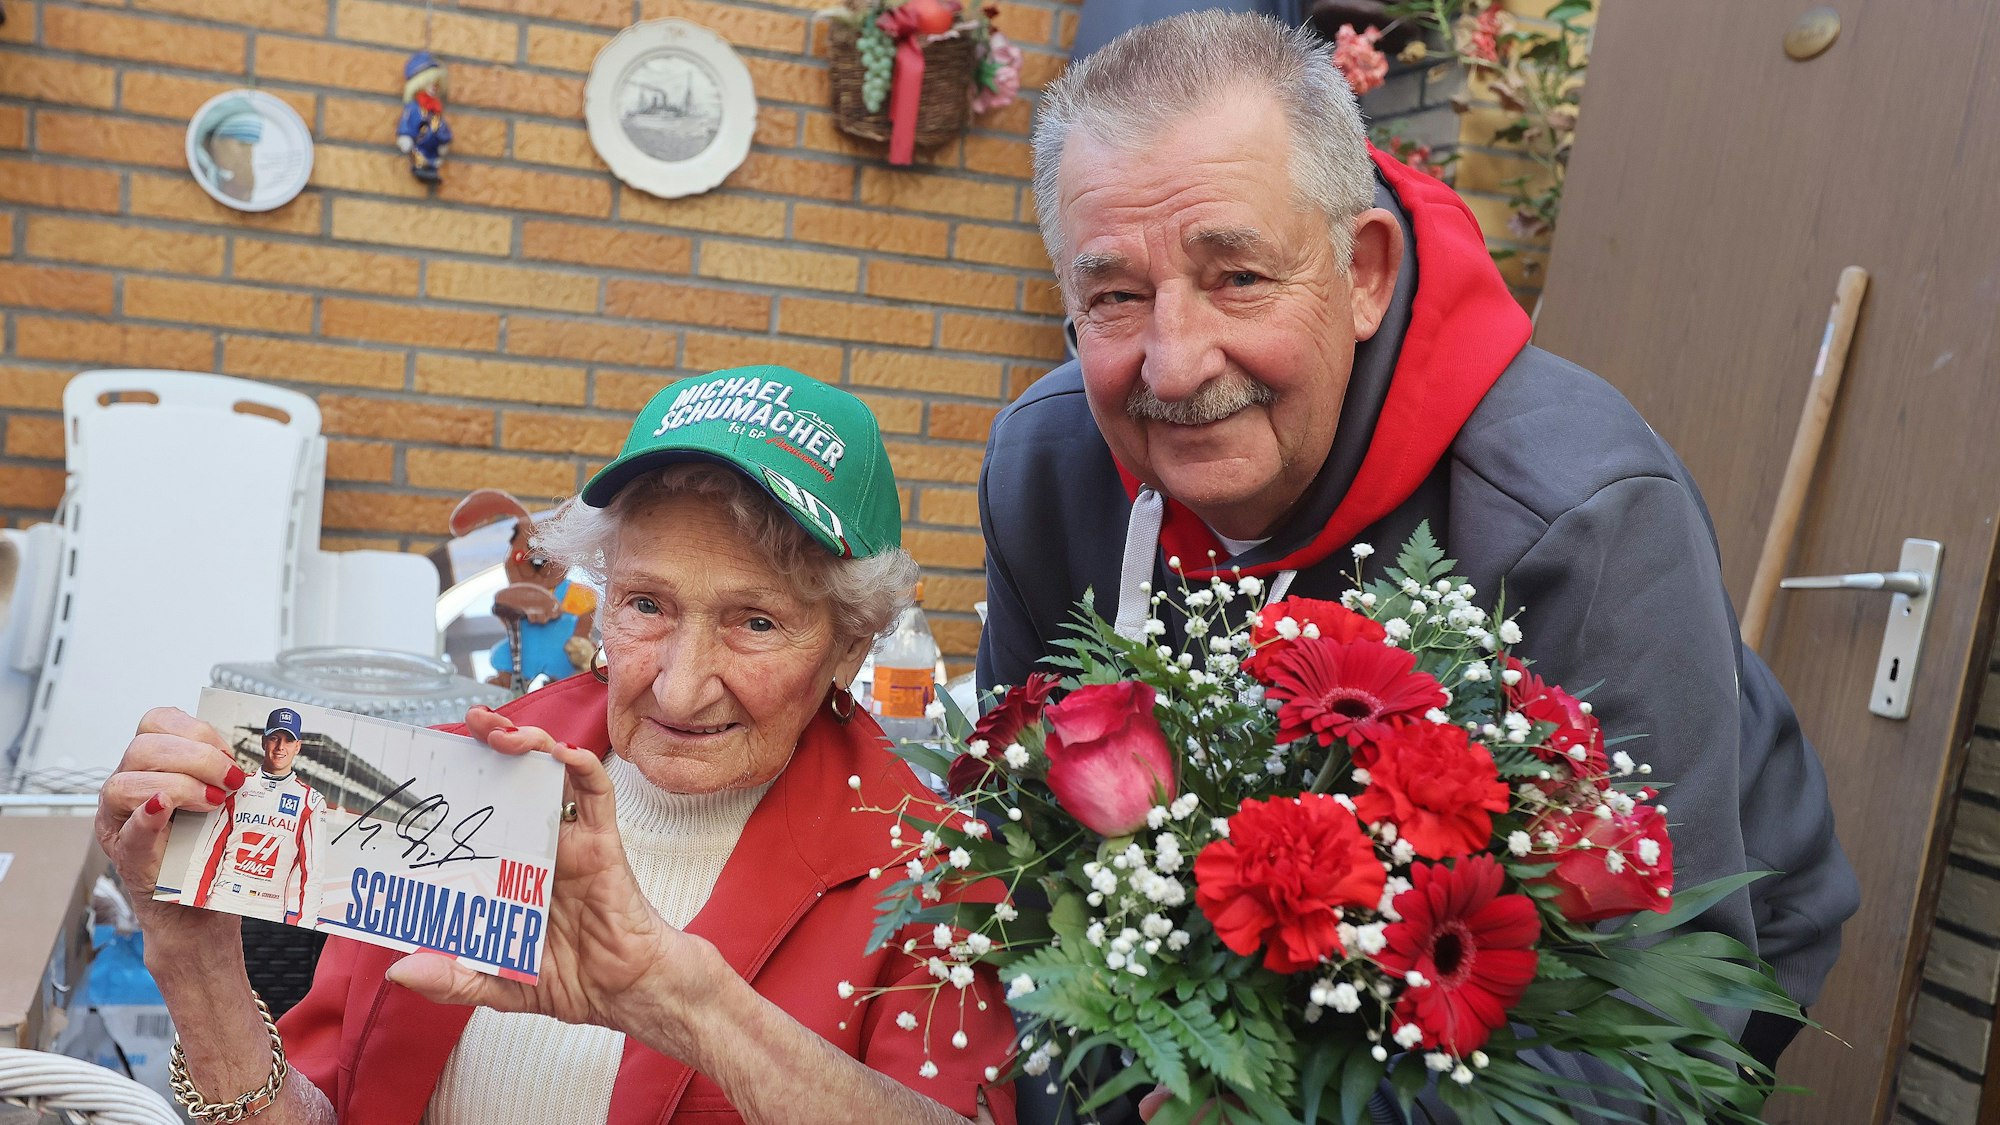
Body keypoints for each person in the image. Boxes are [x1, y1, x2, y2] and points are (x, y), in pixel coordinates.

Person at [975, 11, 1860, 1120]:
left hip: (1643, 947)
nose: (1175, 359)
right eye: (1111, 295)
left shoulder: (1572, 514)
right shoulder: (1043, 471)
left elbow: (1650, 999)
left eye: (1238, 275)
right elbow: (1030, 861)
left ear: (1361, 275)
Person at [97, 365, 1018, 1125]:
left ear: (851, 642)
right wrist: (196, 961)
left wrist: (691, 1006)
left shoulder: (932, 873)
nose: (679, 682)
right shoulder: (471, 776)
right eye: (648, 604)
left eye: (757, 621)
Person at [182, 707, 328, 927]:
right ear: (263, 741)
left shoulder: (311, 802)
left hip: (269, 908)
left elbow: (313, 874)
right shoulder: (236, 788)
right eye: (274, 738)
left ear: (298, 747)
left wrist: (305, 927)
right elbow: (204, 856)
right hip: (226, 899)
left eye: (288, 741)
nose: (280, 747)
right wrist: (188, 911)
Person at [194, 95, 263, 202]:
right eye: (242, 144)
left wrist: (240, 188)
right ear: (217, 140)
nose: (248, 154)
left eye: (251, 146)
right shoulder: (195, 165)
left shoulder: (216, 173)